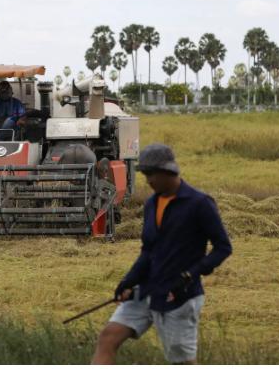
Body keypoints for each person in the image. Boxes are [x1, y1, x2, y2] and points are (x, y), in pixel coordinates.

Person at [92, 143, 232, 365]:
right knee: (108, 338)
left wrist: (190, 275)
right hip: (146, 289)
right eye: (145, 174)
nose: (148, 180)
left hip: (178, 296)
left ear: (169, 171)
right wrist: (128, 281)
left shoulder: (199, 204)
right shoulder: (151, 205)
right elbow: (148, 250)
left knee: (181, 362)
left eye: (151, 174)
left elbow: (223, 248)